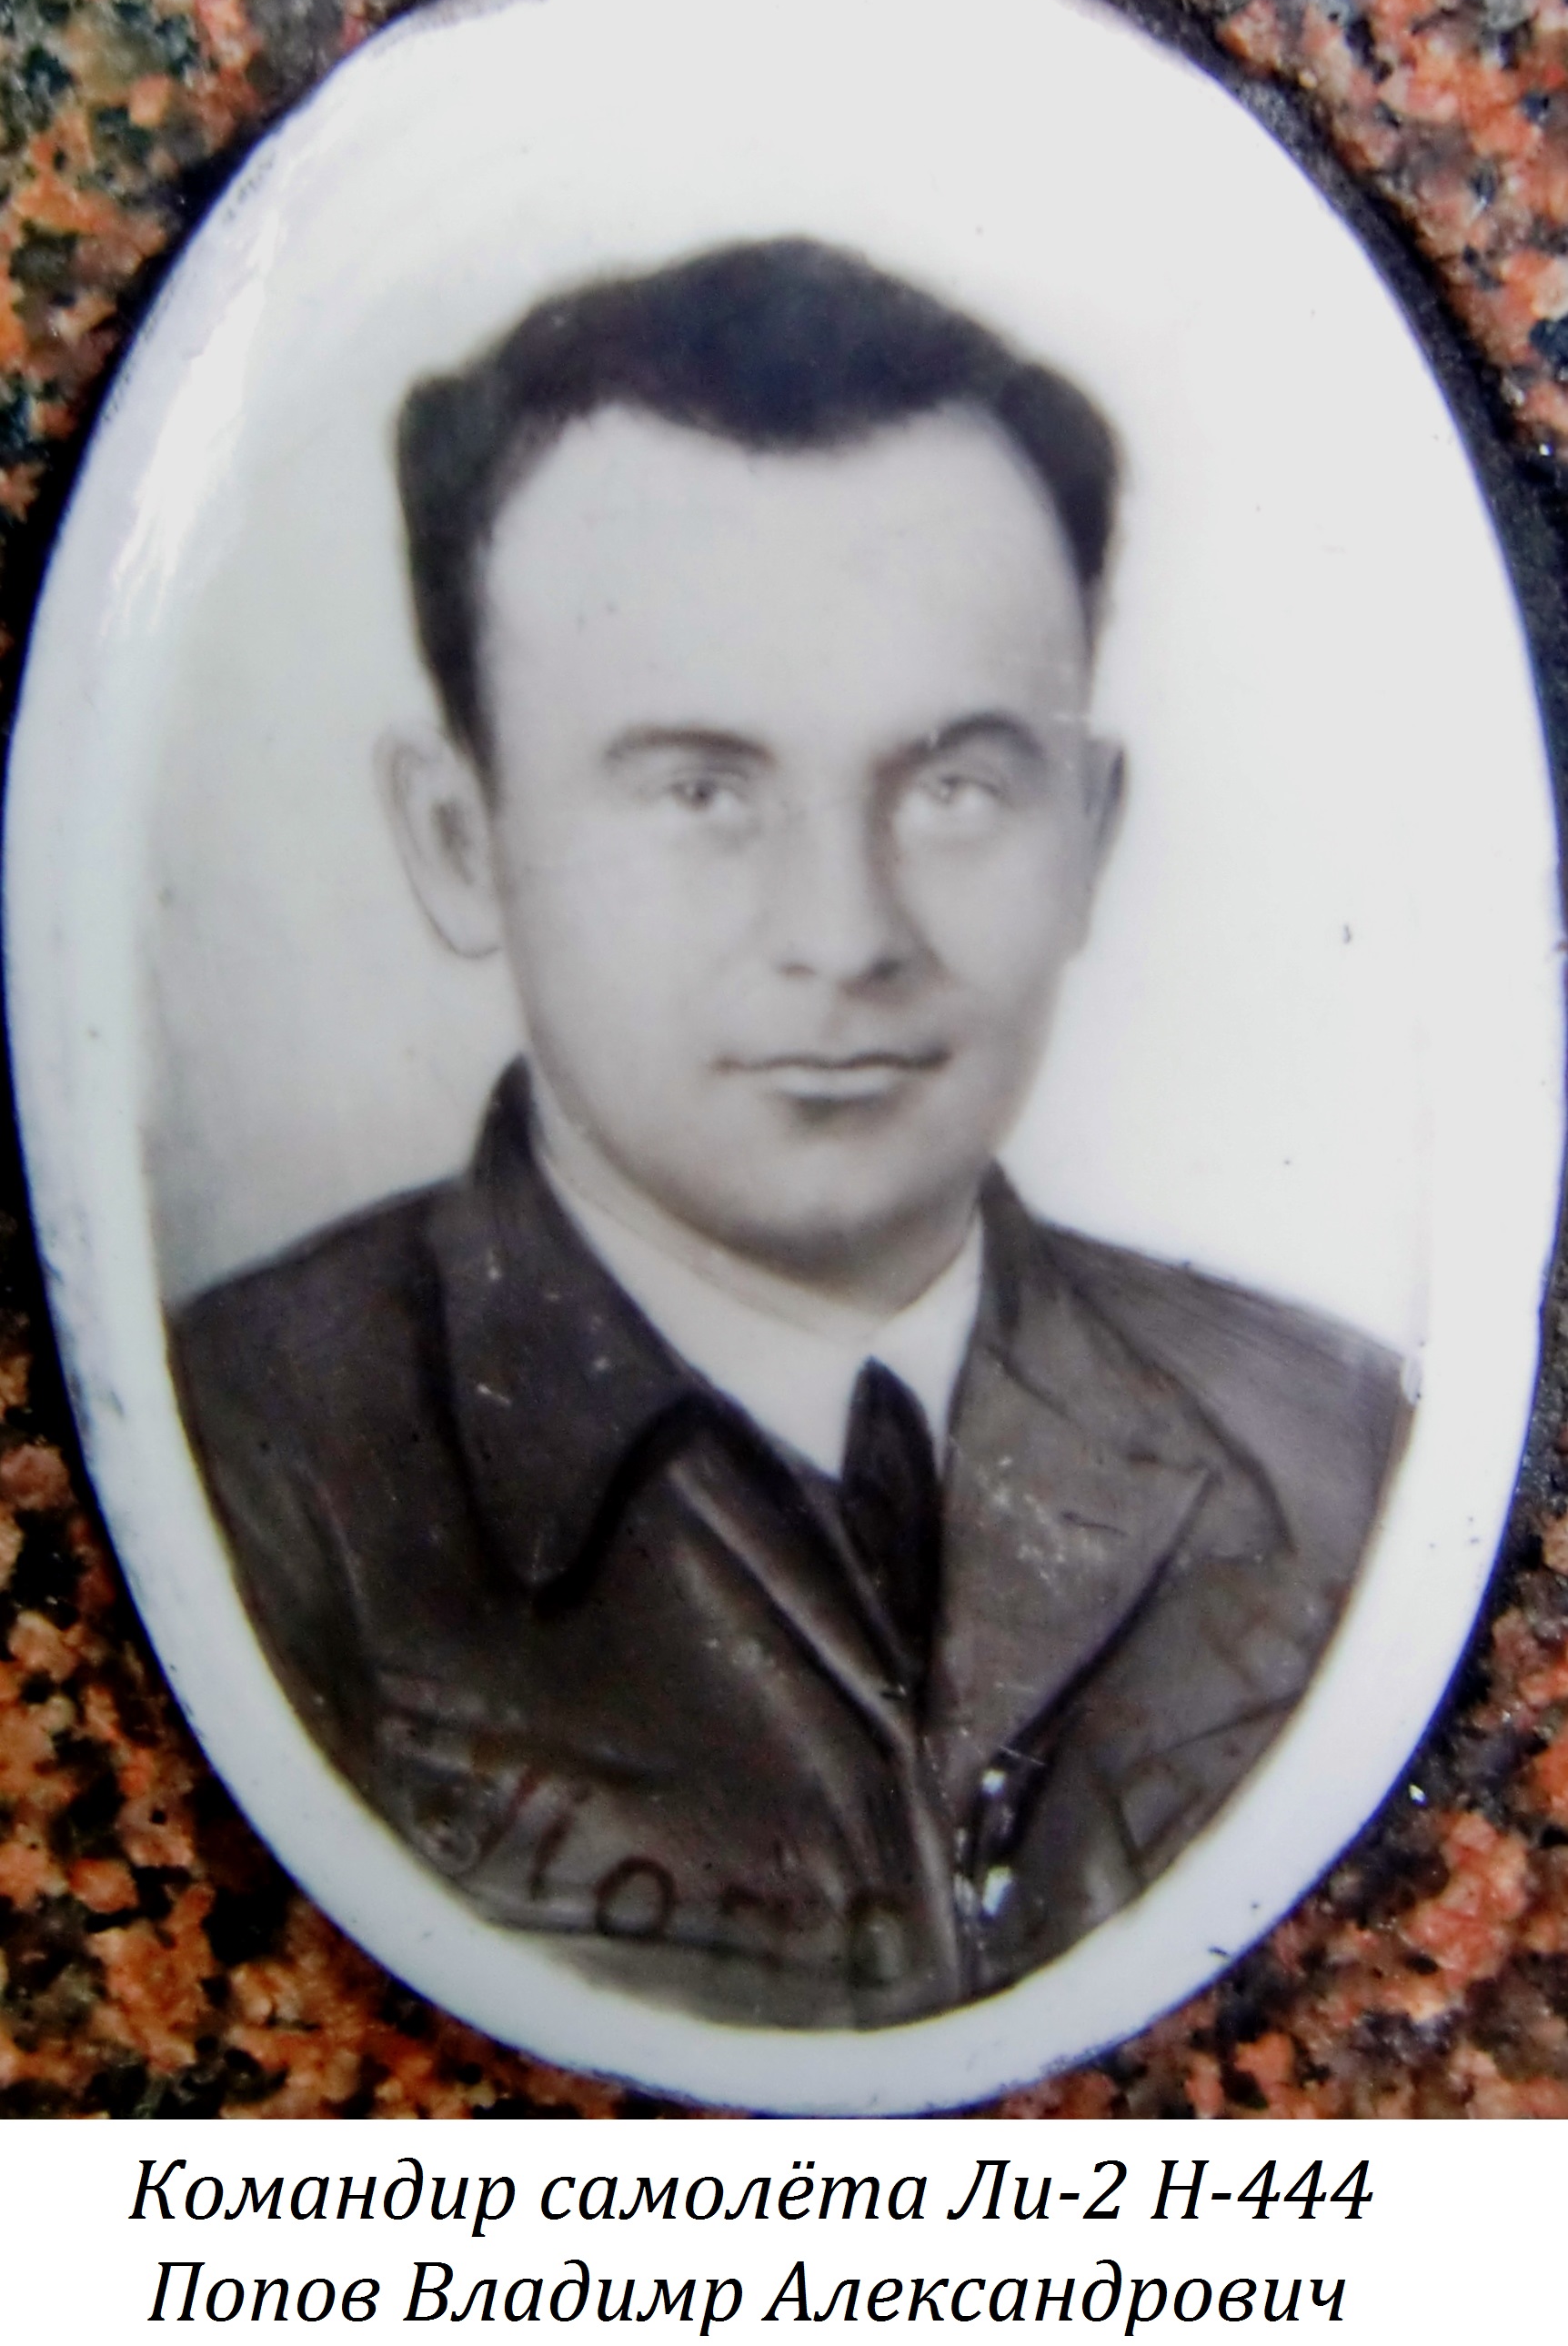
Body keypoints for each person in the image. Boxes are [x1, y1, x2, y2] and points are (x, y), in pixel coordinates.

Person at [172, 239, 1407, 2029]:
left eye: (956, 784)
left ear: (1088, 835)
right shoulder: (239, 1480)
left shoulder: (1339, 1452)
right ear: (460, 840)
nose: (843, 934)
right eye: (700, 789)